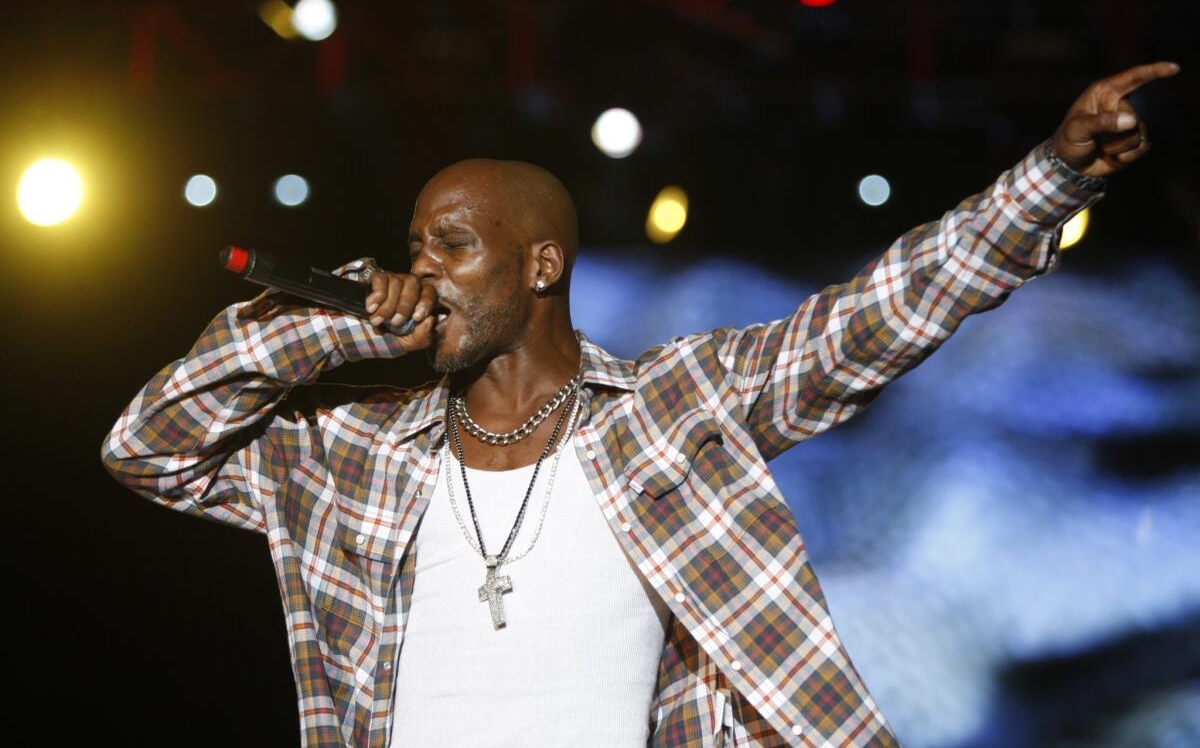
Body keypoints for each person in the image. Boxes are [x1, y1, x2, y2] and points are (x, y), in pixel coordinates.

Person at [101, 62, 1178, 748]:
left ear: (541, 265)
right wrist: (331, 323)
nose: (423, 269)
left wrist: (1050, 178)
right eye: (415, 244)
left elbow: (869, 321)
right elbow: (151, 447)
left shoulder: (669, 410)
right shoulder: (355, 449)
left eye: (455, 245)